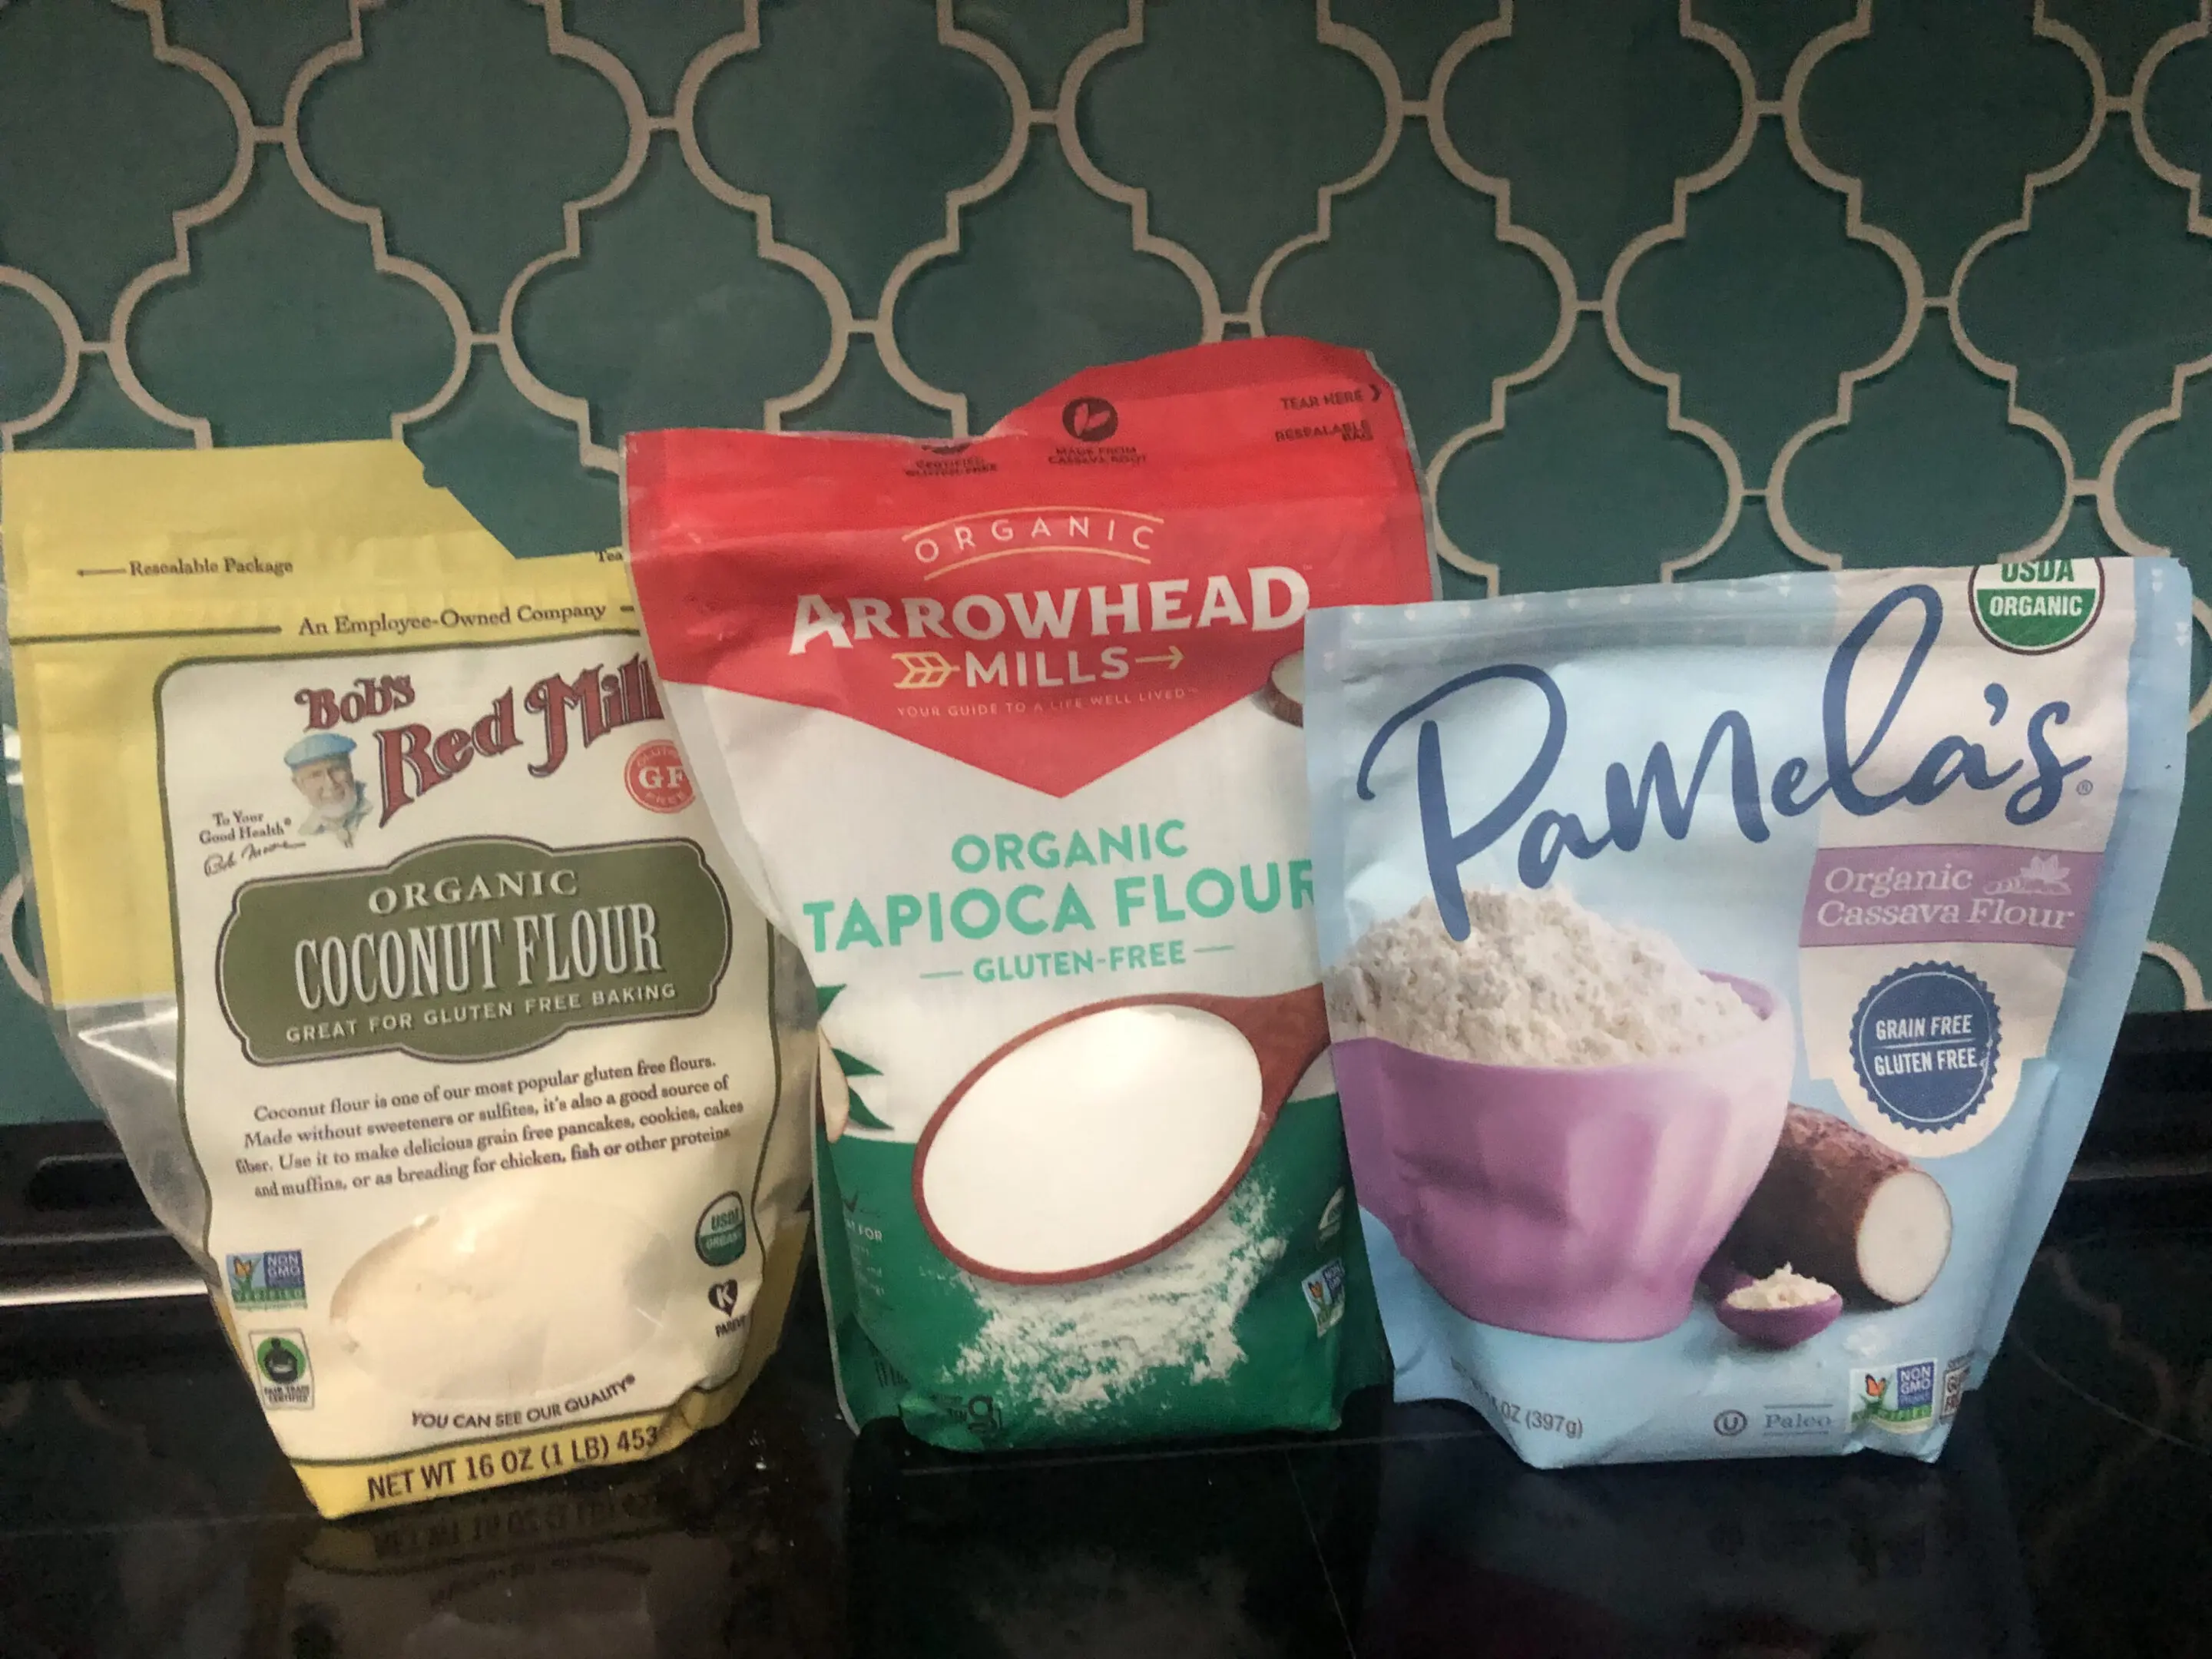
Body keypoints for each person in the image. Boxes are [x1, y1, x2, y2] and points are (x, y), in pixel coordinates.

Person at [285, 732, 369, 847]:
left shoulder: (377, 807)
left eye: (336, 769)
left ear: (350, 768)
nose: (330, 784)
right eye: (316, 775)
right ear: (299, 786)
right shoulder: (305, 834)